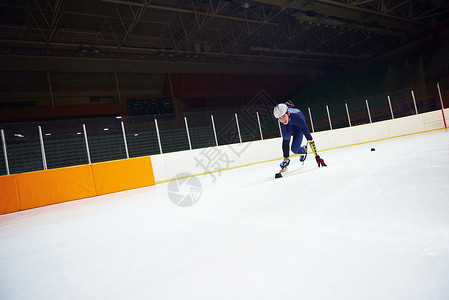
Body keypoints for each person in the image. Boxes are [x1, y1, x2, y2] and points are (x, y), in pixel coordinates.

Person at [273, 101, 327, 171]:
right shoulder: (278, 116)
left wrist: (317, 156)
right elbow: (278, 107)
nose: (282, 119)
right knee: (286, 138)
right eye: (280, 118)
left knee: (294, 149)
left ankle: (303, 150)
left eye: (283, 116)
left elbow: (309, 138)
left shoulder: (299, 119)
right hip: (288, 125)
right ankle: (286, 160)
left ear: (288, 113)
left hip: (298, 126)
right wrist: (285, 105)